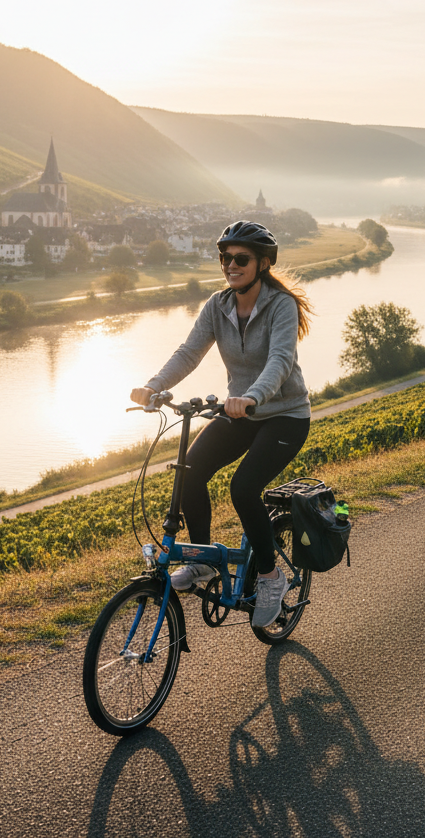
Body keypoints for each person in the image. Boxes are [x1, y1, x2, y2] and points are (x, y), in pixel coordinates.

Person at [130, 221, 313, 628]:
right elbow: (189, 351)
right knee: (189, 474)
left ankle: (270, 577)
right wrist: (154, 386)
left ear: (263, 264)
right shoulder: (218, 305)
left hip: (283, 415)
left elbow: (280, 361)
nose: (231, 265)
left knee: (244, 487)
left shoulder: (281, 305)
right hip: (241, 413)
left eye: (241, 258)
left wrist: (251, 397)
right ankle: (203, 563)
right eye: (225, 258)